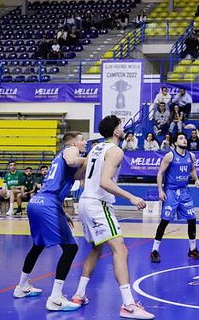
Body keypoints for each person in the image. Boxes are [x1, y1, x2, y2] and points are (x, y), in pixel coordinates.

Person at [72, 115, 153, 319]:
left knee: (97, 248)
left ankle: (79, 295)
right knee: (121, 249)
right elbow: (105, 182)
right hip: (98, 204)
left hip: (85, 201)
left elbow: (77, 175)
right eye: (121, 126)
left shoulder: (95, 148)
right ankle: (128, 305)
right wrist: (132, 197)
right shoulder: (116, 150)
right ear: (116, 132)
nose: (123, 128)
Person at [16, 132, 87, 311]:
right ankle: (55, 298)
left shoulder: (59, 159)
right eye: (82, 139)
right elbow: (73, 161)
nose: (85, 142)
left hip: (37, 202)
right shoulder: (70, 150)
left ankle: (22, 286)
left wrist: (63, 212)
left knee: (37, 245)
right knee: (71, 248)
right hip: (47, 204)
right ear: (73, 142)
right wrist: (88, 158)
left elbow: (76, 174)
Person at [151, 132, 199, 263]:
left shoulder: (191, 156)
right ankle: (154, 251)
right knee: (165, 221)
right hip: (171, 192)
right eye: (181, 138)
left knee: (192, 219)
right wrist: (160, 190)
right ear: (175, 143)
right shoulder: (170, 156)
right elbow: (160, 173)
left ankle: (192, 249)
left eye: (185, 138)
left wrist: (196, 179)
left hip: (184, 192)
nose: (184, 140)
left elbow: (192, 169)